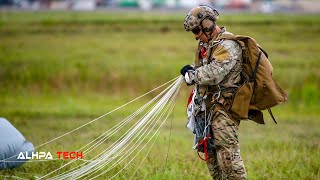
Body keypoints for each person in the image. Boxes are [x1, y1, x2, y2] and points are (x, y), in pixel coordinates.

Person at [180, 5, 247, 179]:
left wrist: (194, 75)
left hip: (224, 109)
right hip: (207, 109)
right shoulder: (207, 45)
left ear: (208, 24)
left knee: (228, 157)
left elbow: (216, 72)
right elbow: (205, 68)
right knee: (211, 158)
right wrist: (191, 70)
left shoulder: (228, 45)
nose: (195, 36)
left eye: (196, 30)